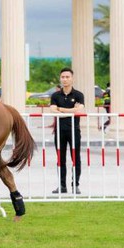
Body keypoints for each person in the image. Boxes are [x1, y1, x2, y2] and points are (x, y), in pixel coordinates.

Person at [50, 67, 85, 195]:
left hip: (74, 131)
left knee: (76, 158)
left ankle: (75, 185)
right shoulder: (55, 95)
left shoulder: (78, 95)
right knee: (61, 159)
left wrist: (61, 110)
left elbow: (80, 111)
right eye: (63, 77)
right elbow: (52, 110)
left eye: (67, 77)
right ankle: (62, 185)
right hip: (59, 131)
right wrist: (71, 111)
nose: (65, 79)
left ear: (72, 78)